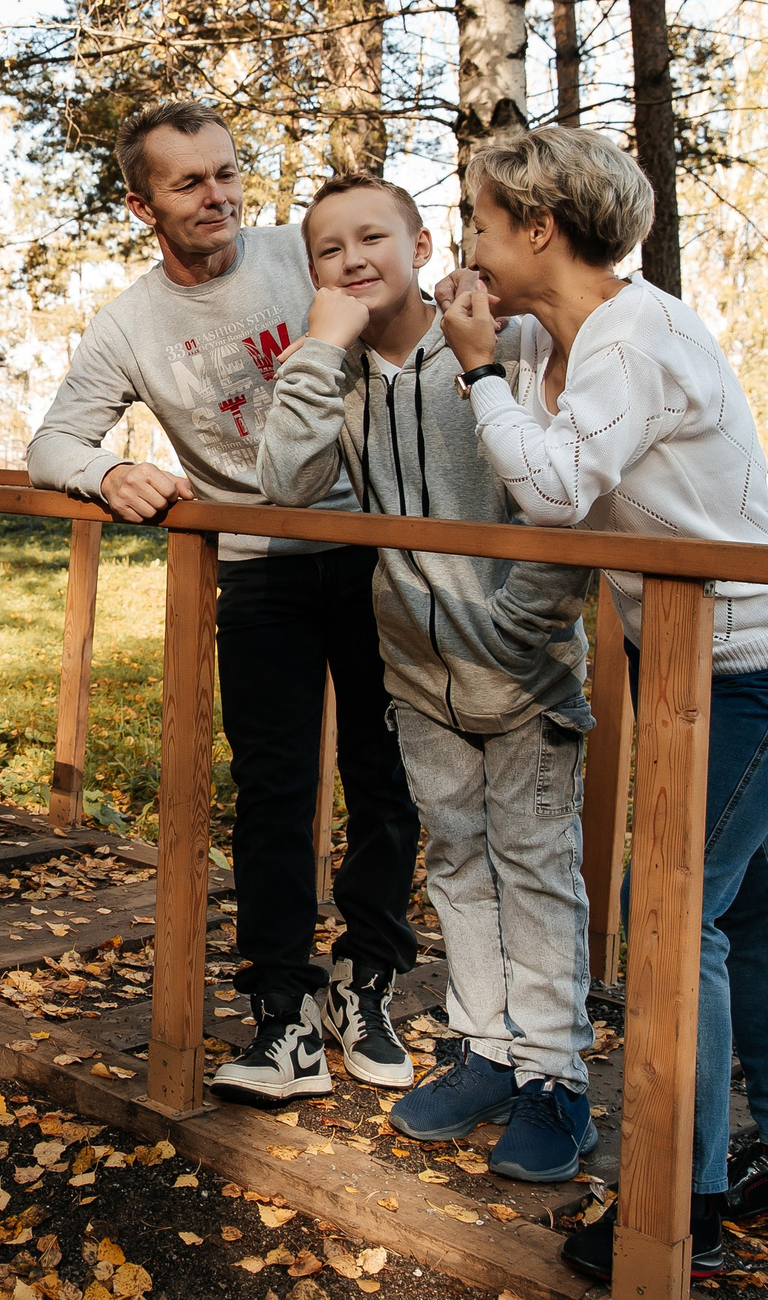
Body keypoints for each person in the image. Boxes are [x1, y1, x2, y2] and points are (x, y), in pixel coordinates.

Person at [434, 126, 768, 1278]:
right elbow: (483, 367)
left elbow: (558, 489)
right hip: (677, 663)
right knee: (744, 916)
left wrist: (474, 369)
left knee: (673, 918)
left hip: (761, 667)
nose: (469, 242)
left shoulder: (638, 336)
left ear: (537, 228)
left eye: (478, 222)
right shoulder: (548, 337)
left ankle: (684, 1201)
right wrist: (465, 334)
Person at [27, 100, 421, 1104]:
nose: (219, 196)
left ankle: (364, 984)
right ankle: (282, 1014)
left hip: (372, 546)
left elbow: (413, 316)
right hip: (254, 566)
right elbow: (52, 443)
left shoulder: (303, 253)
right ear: (140, 204)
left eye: (228, 173)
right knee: (275, 793)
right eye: (189, 182)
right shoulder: (132, 323)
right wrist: (105, 474)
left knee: (386, 780)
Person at [255, 170, 602, 1183]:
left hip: (524, 672)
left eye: (375, 238)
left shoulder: (508, 341)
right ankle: (485, 1050)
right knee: (452, 864)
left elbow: (562, 502)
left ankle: (555, 1077)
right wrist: (319, 343)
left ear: (419, 243)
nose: (355, 259)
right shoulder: (337, 365)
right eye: (330, 248)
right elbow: (283, 484)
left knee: (536, 873)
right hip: (416, 675)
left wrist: (511, 629)